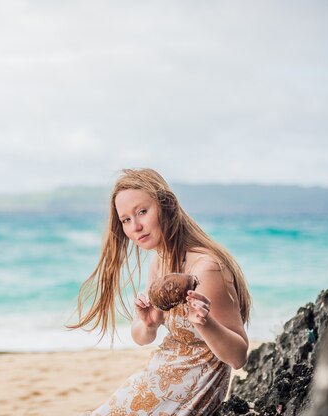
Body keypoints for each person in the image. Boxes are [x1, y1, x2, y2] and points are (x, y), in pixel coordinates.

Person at [68, 168, 251, 415]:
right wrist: (149, 323)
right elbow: (142, 337)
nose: (136, 226)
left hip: (189, 395)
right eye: (126, 220)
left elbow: (238, 357)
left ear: (166, 207)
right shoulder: (161, 261)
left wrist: (205, 323)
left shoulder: (206, 268)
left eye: (142, 212)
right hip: (156, 379)